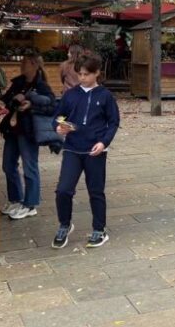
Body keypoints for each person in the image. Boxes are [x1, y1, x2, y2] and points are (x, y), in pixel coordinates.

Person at [51, 54, 120, 249]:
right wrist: (58, 127)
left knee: (96, 191)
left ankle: (99, 229)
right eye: (80, 74)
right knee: (63, 190)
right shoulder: (70, 95)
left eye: (86, 74)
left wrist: (104, 142)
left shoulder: (105, 96)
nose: (82, 78)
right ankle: (64, 224)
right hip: (72, 148)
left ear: (97, 73)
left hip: (95, 151)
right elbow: (58, 117)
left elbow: (113, 122)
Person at [0, 55, 56, 221]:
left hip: (28, 130)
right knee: (8, 165)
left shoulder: (41, 85)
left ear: (34, 65)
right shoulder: (18, 82)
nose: (21, 65)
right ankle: (15, 199)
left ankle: (30, 204)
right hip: (13, 129)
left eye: (24, 62)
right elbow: (7, 99)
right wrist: (12, 101)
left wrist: (32, 104)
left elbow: (52, 106)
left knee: (29, 166)